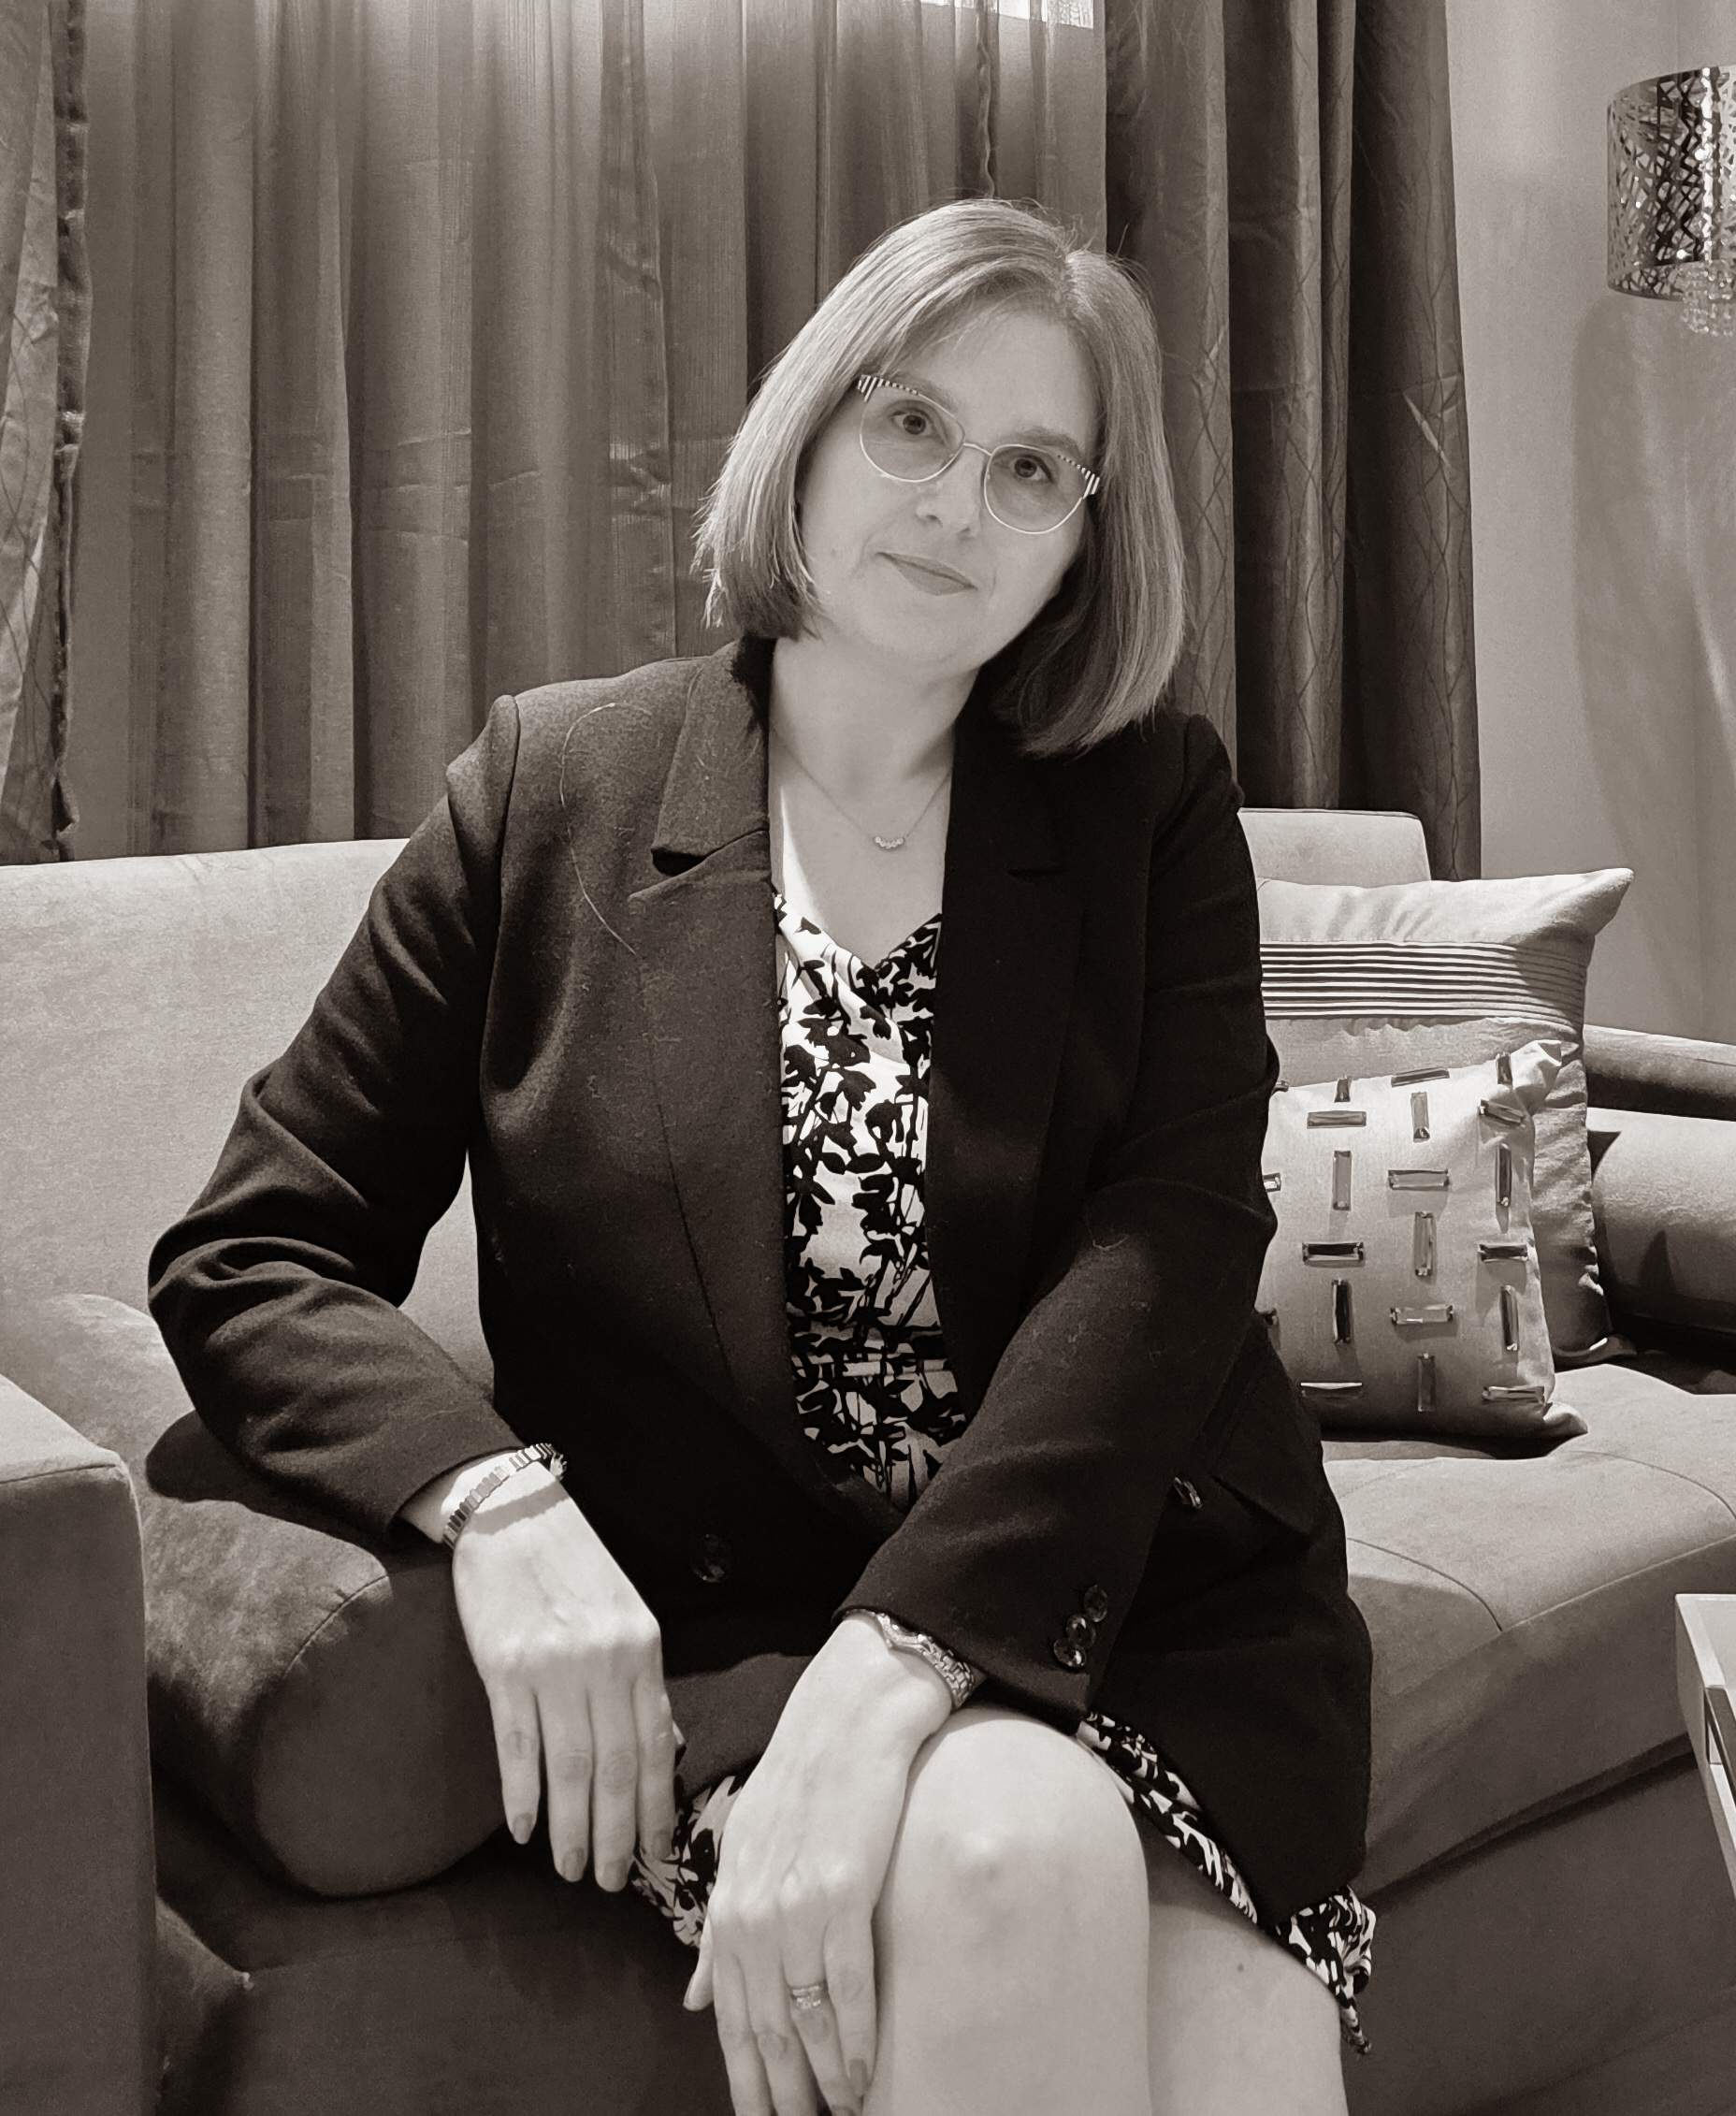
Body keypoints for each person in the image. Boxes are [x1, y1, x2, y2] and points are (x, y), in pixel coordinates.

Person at [148, 197, 1374, 2116]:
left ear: (1085, 538)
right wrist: (496, 1504)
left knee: (1213, 2035)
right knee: (1008, 1850)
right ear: (810, 427)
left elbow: (1171, 1252)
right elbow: (251, 1248)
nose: (956, 505)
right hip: (746, 1635)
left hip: (1130, 1594)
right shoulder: (548, 793)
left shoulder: (1150, 803)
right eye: (913, 424)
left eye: (1031, 469)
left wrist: (907, 1656)